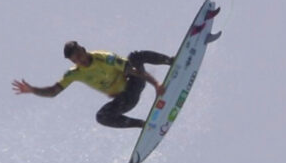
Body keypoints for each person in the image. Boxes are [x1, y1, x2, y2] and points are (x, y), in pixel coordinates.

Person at [12, 41, 173, 129]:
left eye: (80, 55)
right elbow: (54, 91)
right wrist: (33, 90)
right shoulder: (74, 73)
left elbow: (132, 71)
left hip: (133, 84)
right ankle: (141, 125)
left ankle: (170, 61)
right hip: (124, 100)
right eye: (75, 60)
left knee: (135, 57)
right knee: (101, 117)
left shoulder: (104, 57)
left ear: (83, 49)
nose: (80, 61)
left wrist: (156, 84)